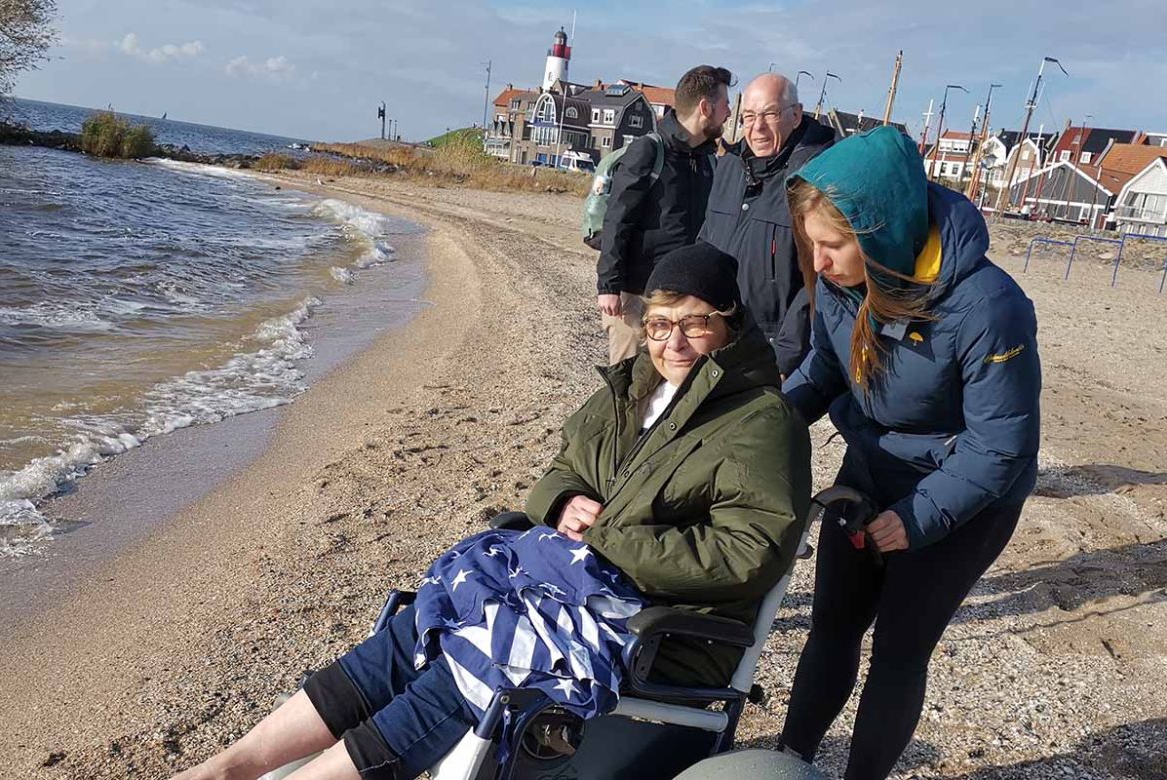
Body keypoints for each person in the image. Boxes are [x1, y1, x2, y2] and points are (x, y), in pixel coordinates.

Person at [173, 243, 812, 780]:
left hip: (657, 623)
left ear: (729, 324)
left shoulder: (761, 422)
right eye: (659, 325)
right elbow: (564, 469)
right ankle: (229, 767)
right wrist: (561, 503)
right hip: (569, 585)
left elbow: (750, 552)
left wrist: (610, 538)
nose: (674, 342)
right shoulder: (634, 390)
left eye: (694, 324)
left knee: (487, 652)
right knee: (432, 616)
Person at [775, 126, 1042, 779]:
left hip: (963, 497)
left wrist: (919, 517)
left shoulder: (988, 308)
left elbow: (1001, 443)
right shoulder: (841, 283)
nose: (819, 261)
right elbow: (826, 367)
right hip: (870, 471)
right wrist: (768, 422)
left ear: (881, 235)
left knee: (897, 651)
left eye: (832, 245)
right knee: (832, 625)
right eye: (812, 243)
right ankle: (787, 760)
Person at [699, 72, 835, 378]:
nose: (757, 127)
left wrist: (784, 356)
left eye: (770, 114)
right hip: (715, 331)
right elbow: (706, 240)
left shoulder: (814, 178)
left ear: (796, 115)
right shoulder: (729, 165)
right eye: (749, 116)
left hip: (772, 349)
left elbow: (819, 278)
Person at [597, 65, 732, 365]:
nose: (729, 113)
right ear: (705, 108)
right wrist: (609, 287)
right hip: (635, 294)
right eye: (725, 104)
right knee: (628, 377)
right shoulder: (649, 150)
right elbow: (617, 220)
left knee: (671, 380)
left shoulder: (707, 159)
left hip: (681, 296)